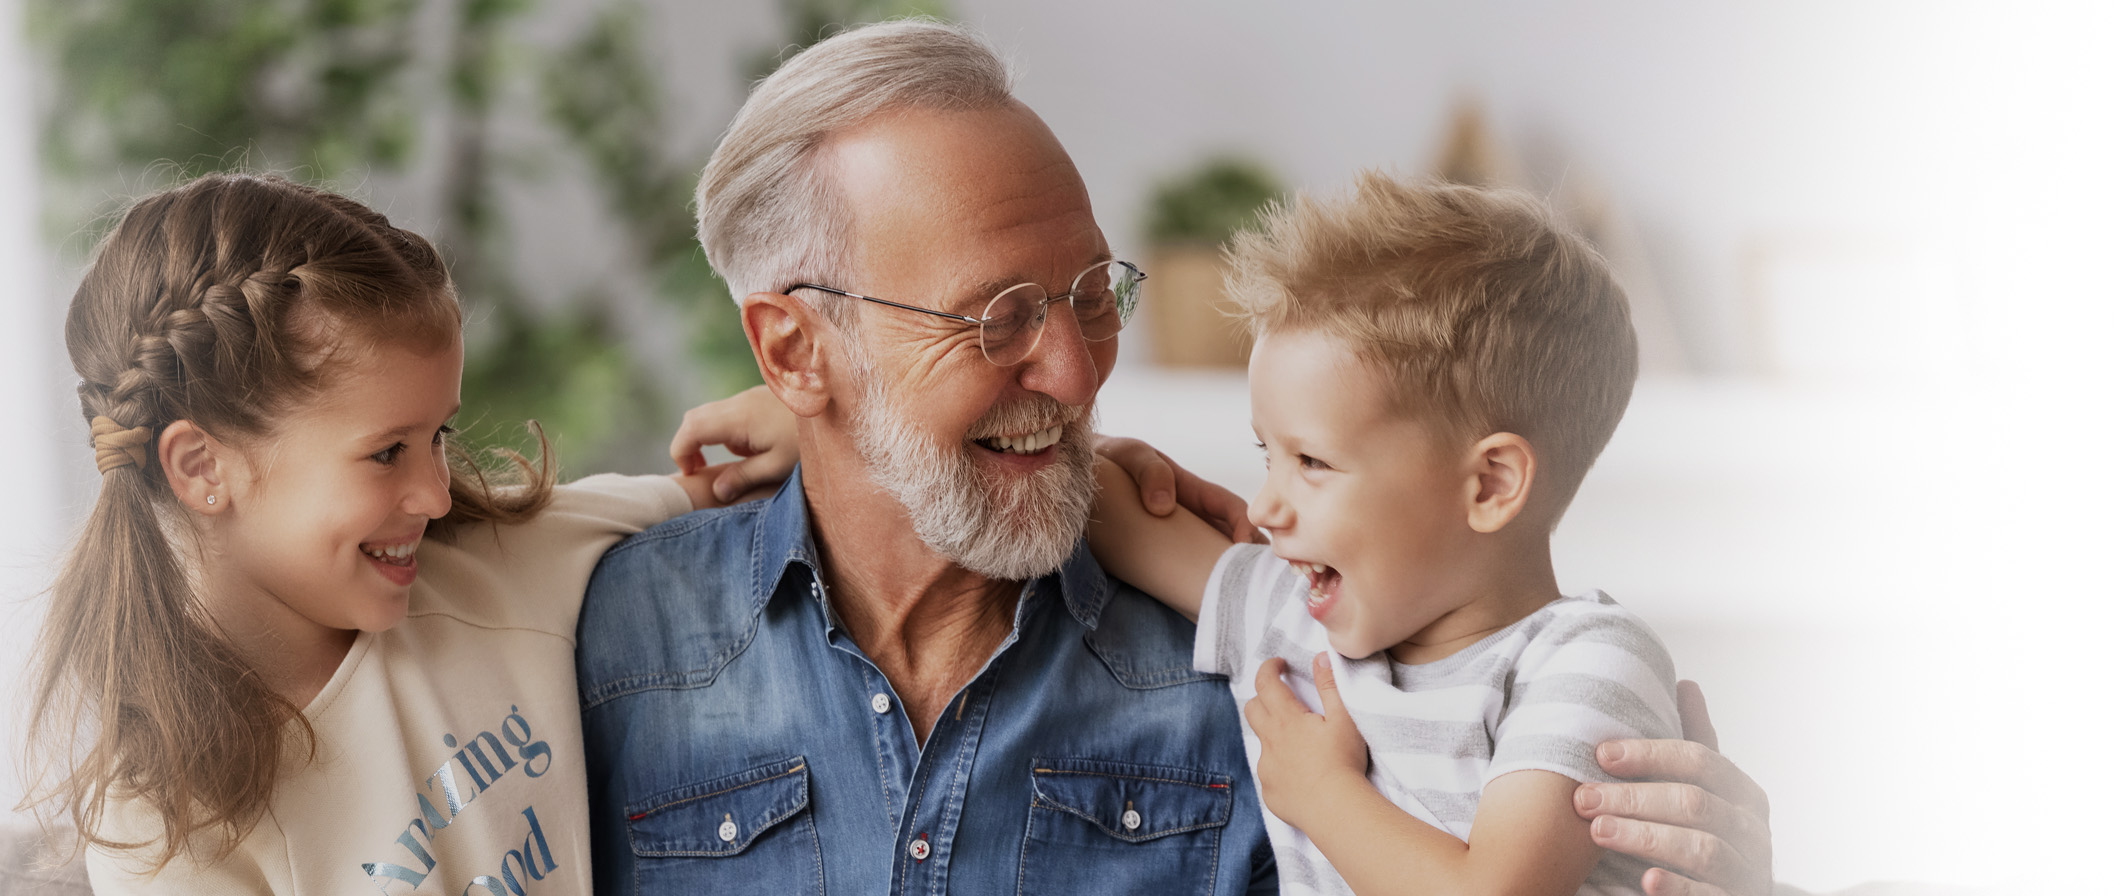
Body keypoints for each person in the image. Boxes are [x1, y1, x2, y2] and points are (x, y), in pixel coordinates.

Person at [576, 20, 1772, 896]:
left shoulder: (1277, 680)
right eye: (995, 317)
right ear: (795, 348)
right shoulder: (604, 636)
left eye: (1093, 295)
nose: (1074, 371)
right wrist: (836, 427)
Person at [19, 172, 799, 895]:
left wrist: (804, 419)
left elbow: (725, 486)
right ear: (201, 468)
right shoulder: (163, 823)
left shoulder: (499, 566)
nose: (433, 492)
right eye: (387, 452)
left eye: (438, 437)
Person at [1090, 170, 1697, 895]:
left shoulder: (1584, 666)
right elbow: (1104, 512)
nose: (1265, 507)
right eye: (1267, 455)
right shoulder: (1291, 614)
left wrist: (1322, 793)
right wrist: (1109, 457)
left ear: (1491, 485)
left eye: (1311, 461)